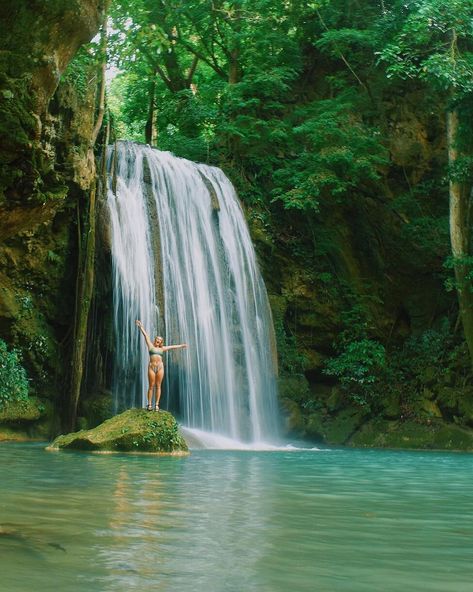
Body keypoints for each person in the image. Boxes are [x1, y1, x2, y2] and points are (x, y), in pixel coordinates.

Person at [135, 320, 188, 411]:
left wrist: (182, 346)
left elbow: (173, 347)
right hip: (151, 367)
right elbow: (146, 336)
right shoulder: (150, 346)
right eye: (157, 340)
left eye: (159, 341)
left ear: (161, 343)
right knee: (151, 385)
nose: (158, 342)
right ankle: (149, 404)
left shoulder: (163, 348)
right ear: (154, 341)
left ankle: (157, 404)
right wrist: (141, 326)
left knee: (158, 385)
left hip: (160, 368)